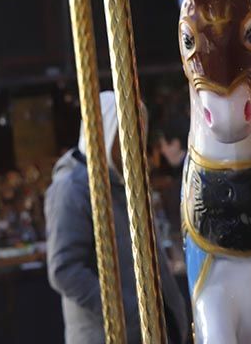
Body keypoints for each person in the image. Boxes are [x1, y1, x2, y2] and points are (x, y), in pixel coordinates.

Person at [45, 91, 190, 344]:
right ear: (106, 132)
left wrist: (173, 313)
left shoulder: (126, 184)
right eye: (128, 134)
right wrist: (125, 311)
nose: (136, 145)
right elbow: (65, 269)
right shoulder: (71, 188)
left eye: (139, 136)